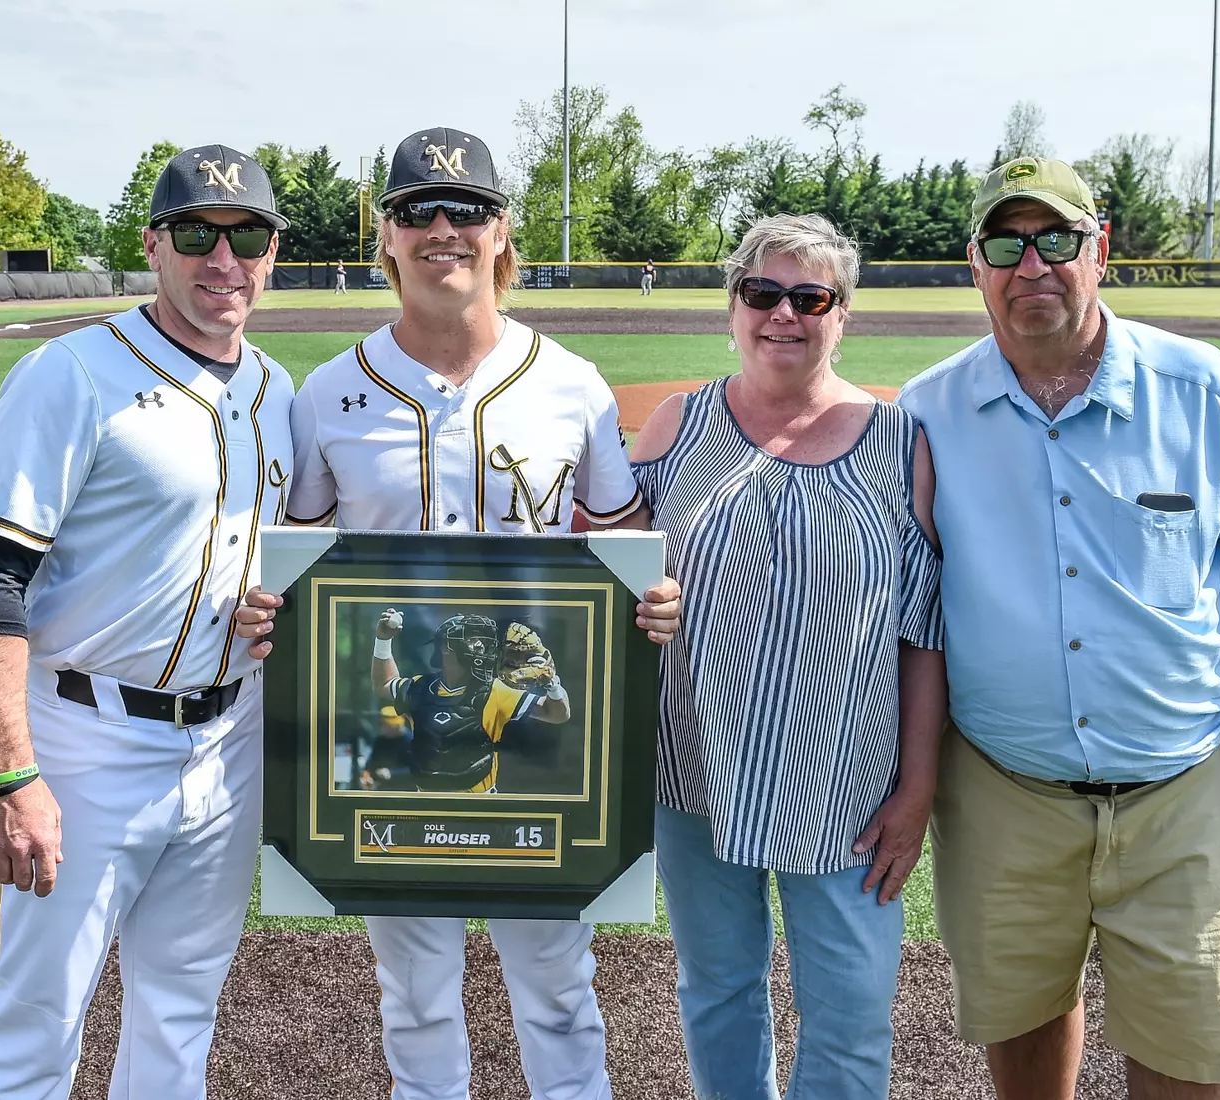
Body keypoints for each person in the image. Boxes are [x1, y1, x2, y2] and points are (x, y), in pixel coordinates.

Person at [234, 125, 682, 1100]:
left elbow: (622, 544)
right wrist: (273, 608)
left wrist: (648, 599)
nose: (443, 227)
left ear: (500, 229)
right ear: (385, 235)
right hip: (391, 737)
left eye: (466, 209)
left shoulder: (572, 384)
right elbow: (303, 563)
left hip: (535, 741)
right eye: (416, 210)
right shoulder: (330, 392)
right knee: (417, 992)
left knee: (560, 983)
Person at [899, 157, 1220, 1100]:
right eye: (1006, 245)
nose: (1033, 267)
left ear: (1099, 252)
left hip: (1185, 793)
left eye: (1056, 241)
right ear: (973, 265)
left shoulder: (1201, 388)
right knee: (1021, 1028)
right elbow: (901, 605)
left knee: (1193, 1057)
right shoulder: (926, 412)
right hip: (1002, 790)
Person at [0, 144, 292, 1099]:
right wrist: (10, 773)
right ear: (154, 244)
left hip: (230, 742)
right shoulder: (71, 374)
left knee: (181, 1015)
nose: (222, 261)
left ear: (272, 251)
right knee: (37, 1019)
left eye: (247, 237)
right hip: (85, 738)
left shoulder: (278, 391)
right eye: (197, 234)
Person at [628, 212, 947, 1100]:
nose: (783, 315)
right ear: (730, 305)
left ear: (841, 314)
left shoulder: (897, 439)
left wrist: (915, 791)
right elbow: (608, 579)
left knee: (850, 1010)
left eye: (809, 297)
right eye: (761, 293)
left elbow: (923, 631)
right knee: (719, 990)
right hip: (696, 772)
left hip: (847, 785)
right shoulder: (675, 427)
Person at [371, 609, 569, 792]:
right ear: (447, 647)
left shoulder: (496, 690)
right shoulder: (419, 688)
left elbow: (557, 714)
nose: (481, 647)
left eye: (482, 641)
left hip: (479, 810)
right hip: (428, 807)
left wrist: (552, 684)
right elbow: (384, 684)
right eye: (473, 639)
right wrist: (383, 640)